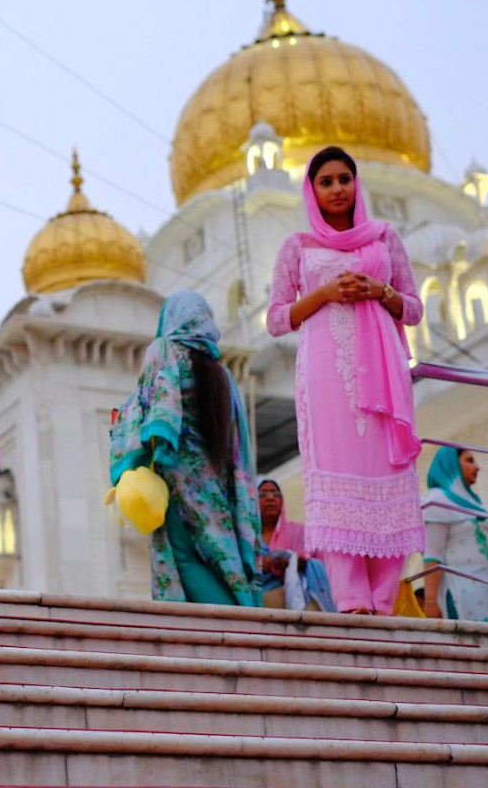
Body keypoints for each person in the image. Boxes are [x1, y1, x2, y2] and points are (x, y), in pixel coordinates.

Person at [267, 146, 424, 615]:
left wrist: (382, 292)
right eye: (326, 182)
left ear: (357, 184)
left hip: (384, 376)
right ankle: (352, 601)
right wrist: (324, 293)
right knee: (338, 481)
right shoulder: (297, 246)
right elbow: (277, 319)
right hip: (326, 379)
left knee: (387, 473)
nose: (338, 189)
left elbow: (413, 309)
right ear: (312, 191)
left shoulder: (383, 238)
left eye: (345, 179)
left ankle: (383, 601)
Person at [109, 291, 260, 607]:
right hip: (215, 476)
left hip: (176, 470)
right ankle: (241, 609)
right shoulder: (222, 373)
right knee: (219, 555)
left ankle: (236, 619)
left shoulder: (164, 350)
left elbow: (154, 405)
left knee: (183, 554)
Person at [422, 446, 488, 622]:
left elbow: (484, 563)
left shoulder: (474, 504)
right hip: (462, 596)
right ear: (451, 465)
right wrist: (431, 601)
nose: (477, 467)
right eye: (469, 460)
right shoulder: (437, 500)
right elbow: (432, 556)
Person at [257, 479, 336, 612]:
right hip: (258, 602)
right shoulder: (247, 538)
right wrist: (257, 565)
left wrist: (298, 562)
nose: (270, 498)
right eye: (262, 494)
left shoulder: (301, 532)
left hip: (302, 600)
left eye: (275, 494)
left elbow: (327, 563)